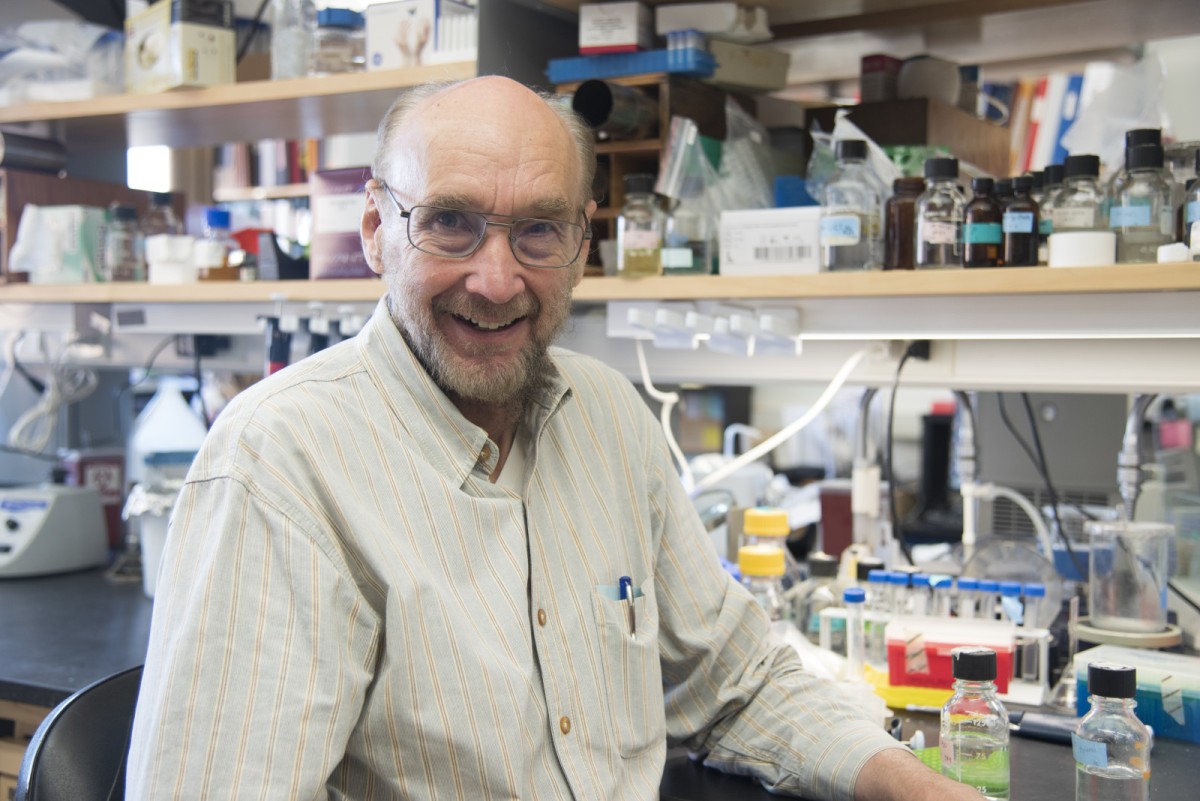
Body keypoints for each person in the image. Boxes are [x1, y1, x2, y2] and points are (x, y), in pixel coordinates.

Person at [127, 76, 983, 801]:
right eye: (450, 221)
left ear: (582, 244)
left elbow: (736, 681)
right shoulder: (281, 462)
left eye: (538, 229)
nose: (497, 280)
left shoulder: (609, 420)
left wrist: (915, 783)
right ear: (376, 233)